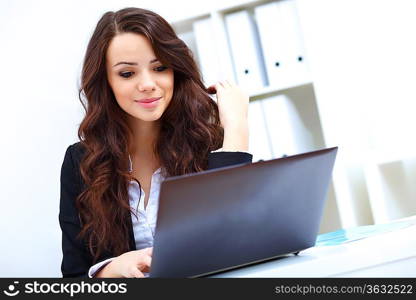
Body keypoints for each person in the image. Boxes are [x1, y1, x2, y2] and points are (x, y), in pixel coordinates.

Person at [59, 7, 252, 278]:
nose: (148, 84)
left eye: (160, 67)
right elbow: (73, 278)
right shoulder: (81, 162)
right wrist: (110, 271)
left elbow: (244, 241)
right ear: (106, 82)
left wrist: (237, 128)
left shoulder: (208, 142)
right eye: (127, 74)